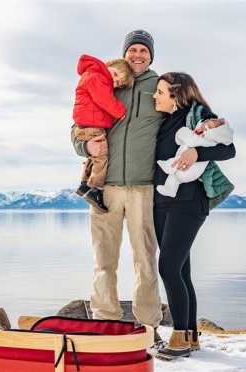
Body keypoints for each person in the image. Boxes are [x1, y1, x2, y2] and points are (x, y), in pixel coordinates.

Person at [71, 30, 165, 344]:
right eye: (133, 50)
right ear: (125, 53)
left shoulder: (160, 87)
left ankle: (148, 329)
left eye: (144, 51)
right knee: (104, 259)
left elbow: (182, 120)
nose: (137, 55)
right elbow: (78, 125)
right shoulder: (109, 80)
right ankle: (104, 325)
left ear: (151, 56)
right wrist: (87, 150)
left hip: (143, 188)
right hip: (105, 189)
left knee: (145, 259)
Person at [152, 72, 236, 360]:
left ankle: (179, 337)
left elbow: (229, 148)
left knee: (168, 268)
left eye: (160, 92)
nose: (155, 96)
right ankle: (190, 336)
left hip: (188, 202)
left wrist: (196, 156)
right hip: (161, 202)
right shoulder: (163, 122)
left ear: (176, 94)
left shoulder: (197, 115)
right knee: (181, 271)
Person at [73, 55, 134, 212]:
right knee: (101, 158)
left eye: (118, 83)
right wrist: (120, 111)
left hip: (90, 124)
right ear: (107, 65)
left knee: (95, 158)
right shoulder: (96, 77)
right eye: (115, 75)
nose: (114, 82)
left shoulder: (96, 76)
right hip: (90, 125)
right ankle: (94, 188)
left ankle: (84, 184)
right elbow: (105, 100)